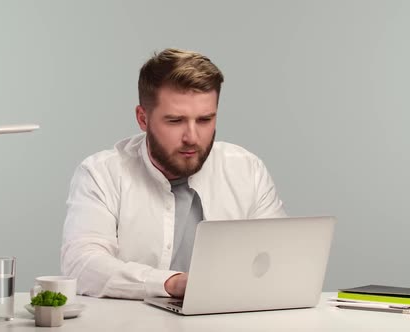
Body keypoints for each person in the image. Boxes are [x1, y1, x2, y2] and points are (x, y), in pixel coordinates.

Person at [61, 48, 286, 300]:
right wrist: (171, 283)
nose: (192, 137)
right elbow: (82, 264)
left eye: (204, 120)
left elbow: (277, 260)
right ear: (142, 118)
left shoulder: (247, 170)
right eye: (175, 121)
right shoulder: (101, 173)